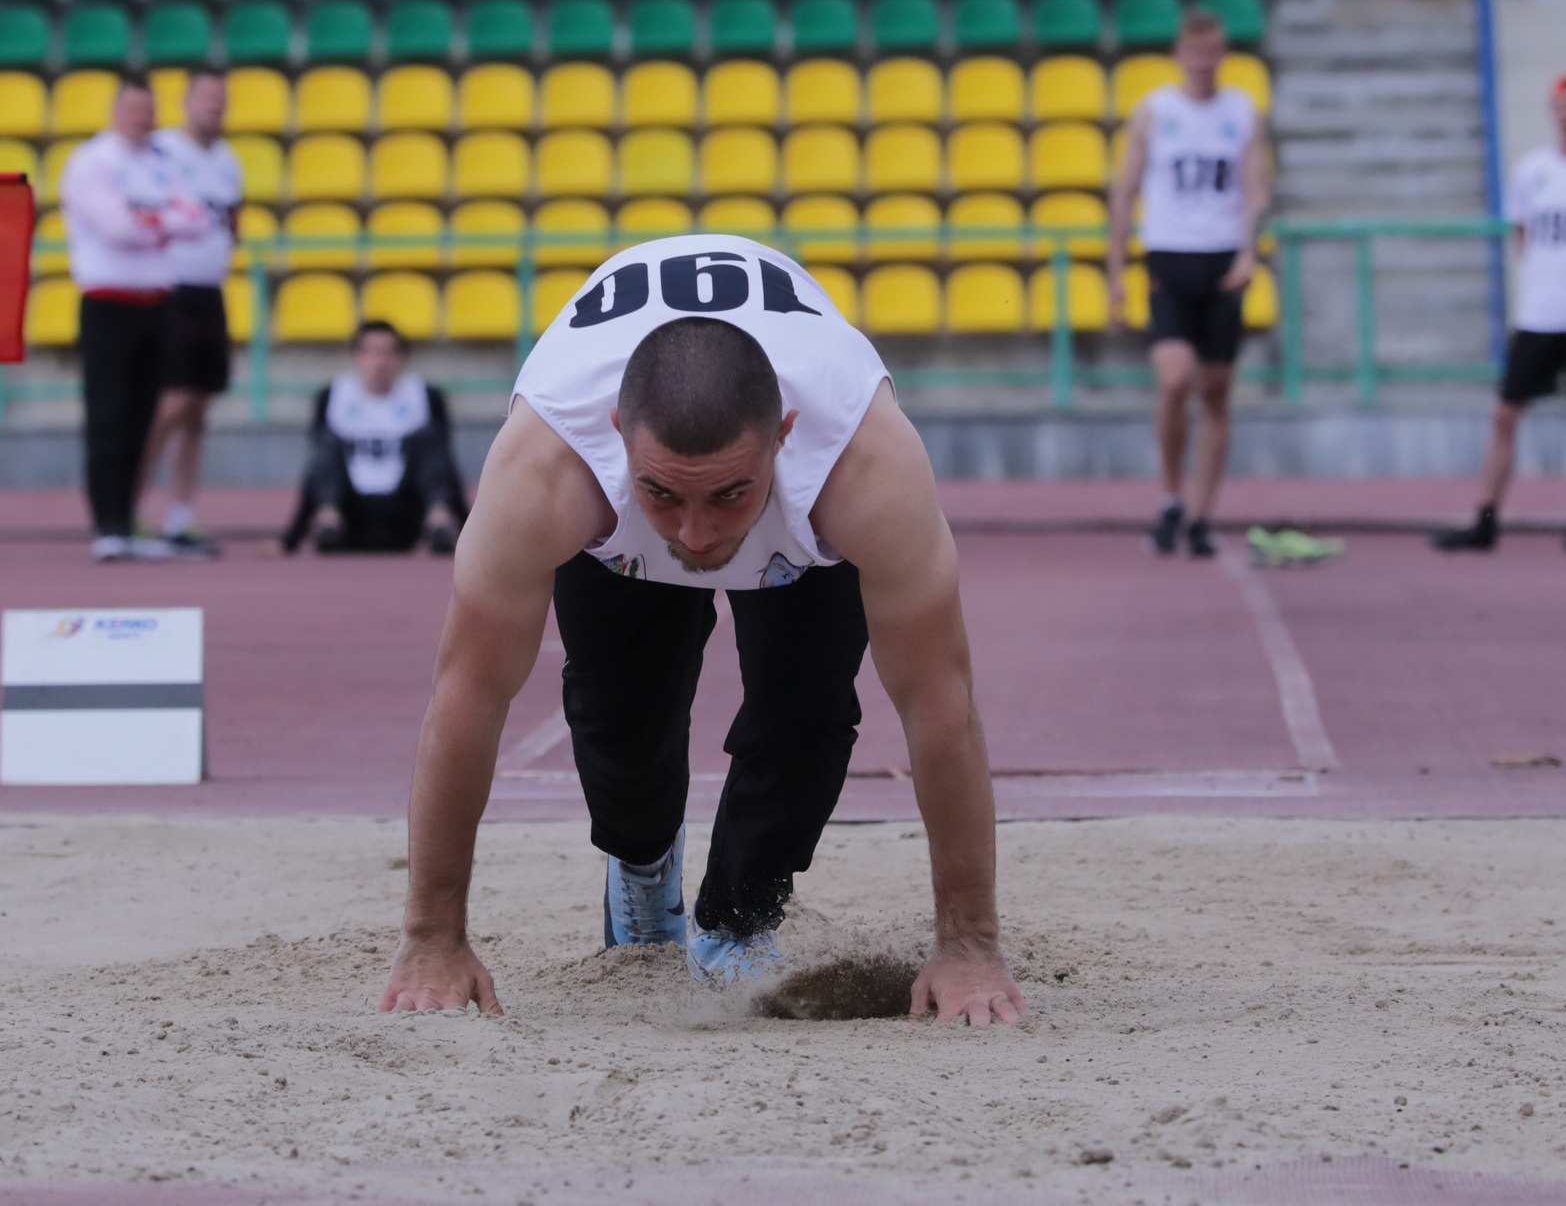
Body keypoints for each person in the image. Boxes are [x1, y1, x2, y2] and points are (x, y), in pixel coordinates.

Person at [378, 234, 1023, 1026]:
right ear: (616, 432)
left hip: (794, 520)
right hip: (620, 515)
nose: (692, 537)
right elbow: (468, 696)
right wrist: (432, 937)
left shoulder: (862, 464)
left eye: (727, 495)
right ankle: (643, 863)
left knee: (810, 715)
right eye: (664, 495)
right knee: (618, 725)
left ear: (786, 436)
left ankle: (738, 917)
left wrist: (969, 945)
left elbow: (938, 701)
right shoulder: (549, 468)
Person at [1434, 74, 1566, 555]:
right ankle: (1487, 516)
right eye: (1561, 106)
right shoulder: (1531, 171)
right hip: (1541, 313)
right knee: (1505, 412)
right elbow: (1522, 236)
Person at [1106, 9, 1270, 559]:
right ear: (1180, 54)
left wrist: (1250, 251)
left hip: (1223, 261)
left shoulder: (1241, 111)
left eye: (1212, 53)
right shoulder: (1155, 111)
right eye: (1194, 53)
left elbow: (1255, 189)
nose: (1203, 64)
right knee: (1174, 379)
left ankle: (1203, 511)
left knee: (1217, 390)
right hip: (1170, 259)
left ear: (1223, 55)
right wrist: (1114, 275)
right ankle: (1171, 495)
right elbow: (1124, 193)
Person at [61, 71, 188, 563]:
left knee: (142, 418)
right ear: (116, 111)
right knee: (108, 416)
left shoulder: (162, 160)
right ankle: (107, 522)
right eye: (133, 109)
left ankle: (129, 516)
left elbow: (196, 216)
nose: (142, 119)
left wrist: (150, 221)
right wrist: (163, 222)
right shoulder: (92, 161)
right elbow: (116, 227)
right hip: (108, 300)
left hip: (155, 300)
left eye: (148, 110)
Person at [139, 69, 241, 559]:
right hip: (169, 288)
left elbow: (232, 222)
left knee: (198, 406)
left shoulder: (228, 162)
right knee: (169, 403)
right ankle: (133, 505)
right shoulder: (161, 151)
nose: (214, 106)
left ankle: (181, 511)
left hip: (209, 290)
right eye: (207, 97)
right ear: (187, 102)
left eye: (221, 99)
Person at [280, 321, 465, 554]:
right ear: (356, 357)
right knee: (328, 441)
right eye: (371, 352)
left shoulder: (425, 396)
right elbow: (316, 466)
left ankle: (439, 521)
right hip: (349, 515)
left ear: (401, 358)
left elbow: (446, 462)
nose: (379, 362)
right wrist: (290, 539)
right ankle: (327, 519)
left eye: (388, 353)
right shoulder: (333, 396)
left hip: (404, 513)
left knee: (429, 437)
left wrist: (468, 525)